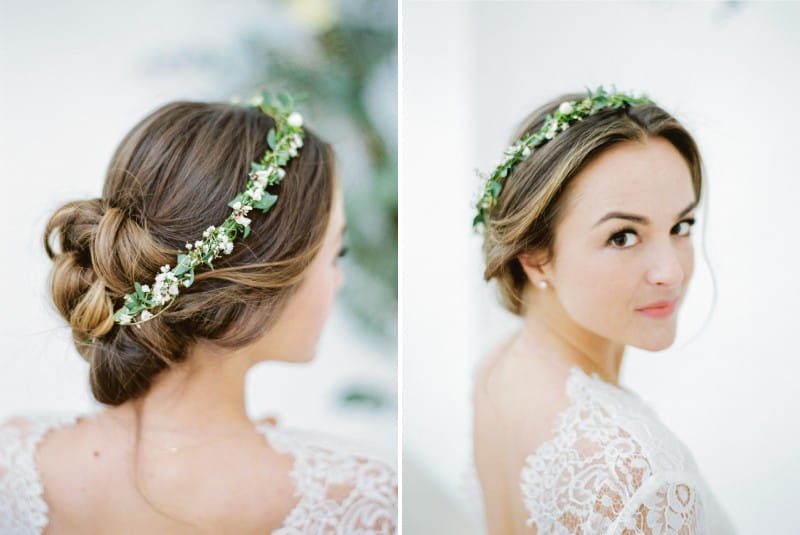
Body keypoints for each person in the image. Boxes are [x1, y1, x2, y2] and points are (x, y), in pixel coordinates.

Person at [0, 93, 397, 534]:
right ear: (256, 279)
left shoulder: (13, 462)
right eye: (334, 254)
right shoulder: (359, 498)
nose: (338, 280)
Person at [471, 87, 736, 534]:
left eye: (681, 226)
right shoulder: (638, 474)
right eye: (623, 237)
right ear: (536, 257)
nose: (670, 272)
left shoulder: (499, 367)